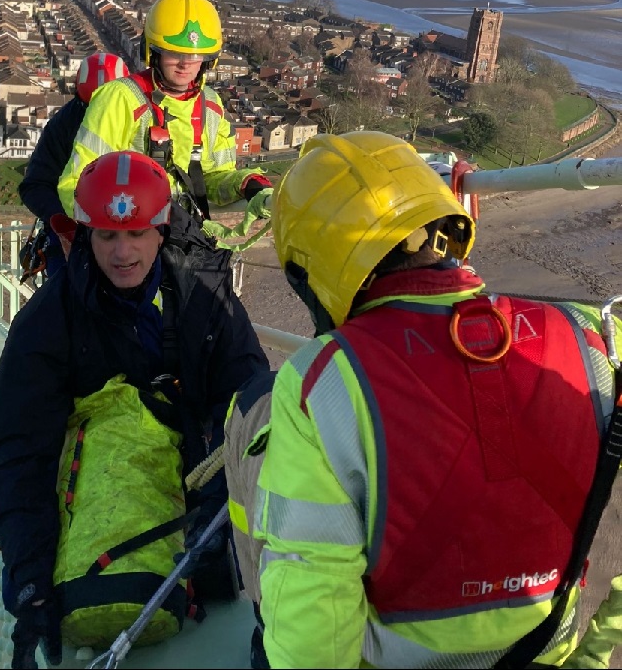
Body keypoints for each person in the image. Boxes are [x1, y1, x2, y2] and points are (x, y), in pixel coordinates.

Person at [251, 130, 615, 669]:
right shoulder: (590, 336)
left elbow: (312, 599)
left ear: (315, 271)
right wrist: (599, 644)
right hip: (553, 653)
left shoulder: (324, 378)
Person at [0, 149, 269, 668]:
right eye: (108, 236)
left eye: (137, 233)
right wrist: (29, 579)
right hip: (101, 489)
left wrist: (225, 506)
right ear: (86, 237)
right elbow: (21, 447)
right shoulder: (49, 322)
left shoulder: (206, 300)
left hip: (199, 485)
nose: (123, 252)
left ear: (162, 230)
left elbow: (251, 407)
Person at [56, 0, 272, 223]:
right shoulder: (120, 99)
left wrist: (246, 184)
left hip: (185, 237)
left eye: (195, 55)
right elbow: (78, 184)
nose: (185, 64)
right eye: (173, 52)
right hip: (130, 233)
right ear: (152, 52)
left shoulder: (210, 105)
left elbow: (212, 179)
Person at [18, 52, 129, 277]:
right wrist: (64, 224)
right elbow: (35, 186)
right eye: (90, 108)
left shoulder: (139, 118)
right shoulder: (62, 127)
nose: (98, 118)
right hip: (71, 239)